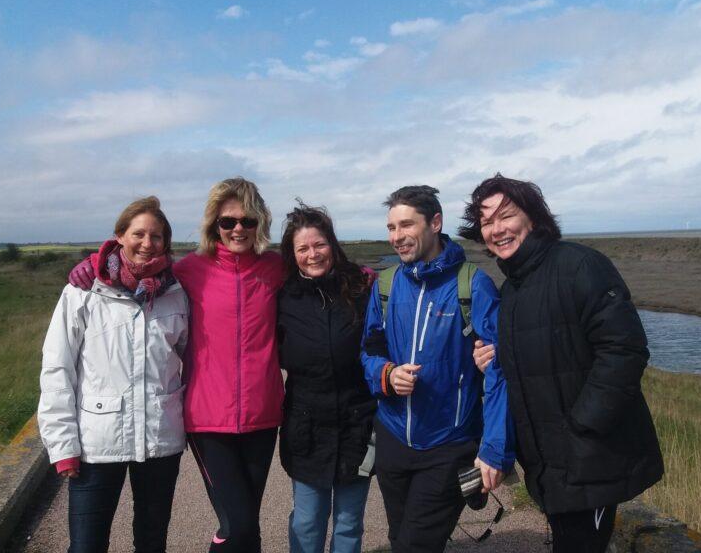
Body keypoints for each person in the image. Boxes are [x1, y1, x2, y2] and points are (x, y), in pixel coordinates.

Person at [68, 178, 285, 552]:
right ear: (213, 225)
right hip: (208, 419)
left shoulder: (276, 268)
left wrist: (360, 278)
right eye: (228, 221)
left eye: (247, 221)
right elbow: (137, 266)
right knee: (240, 526)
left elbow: (319, 269)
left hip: (263, 416)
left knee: (246, 523)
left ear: (260, 223)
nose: (238, 229)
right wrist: (95, 264)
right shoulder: (189, 272)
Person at [460, 174, 664, 553]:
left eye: (506, 216)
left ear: (533, 218)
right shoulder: (513, 289)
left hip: (591, 461)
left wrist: (581, 428)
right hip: (551, 465)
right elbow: (542, 358)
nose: (497, 229)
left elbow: (624, 350)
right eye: (487, 222)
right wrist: (496, 359)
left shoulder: (580, 265)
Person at [359, 185, 515, 553]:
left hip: (449, 443)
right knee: (401, 538)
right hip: (394, 438)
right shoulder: (386, 284)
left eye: (406, 225)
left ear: (435, 223)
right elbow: (369, 348)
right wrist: (385, 374)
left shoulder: (472, 284)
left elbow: (499, 372)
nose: (396, 237)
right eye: (391, 227)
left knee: (415, 545)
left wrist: (494, 449)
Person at [38, 196, 189, 553]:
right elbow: (57, 368)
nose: (147, 244)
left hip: (159, 439)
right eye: (138, 234)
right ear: (119, 236)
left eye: (156, 236)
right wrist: (62, 445)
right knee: (87, 546)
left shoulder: (177, 294)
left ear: (166, 243)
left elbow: (196, 359)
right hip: (97, 444)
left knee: (152, 544)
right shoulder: (83, 291)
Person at [277, 203, 378, 553]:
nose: (312, 254)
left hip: (357, 424)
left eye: (319, 245)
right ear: (292, 254)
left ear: (332, 245)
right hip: (305, 427)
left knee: (349, 525)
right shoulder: (284, 296)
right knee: (307, 523)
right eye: (302, 248)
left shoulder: (363, 288)